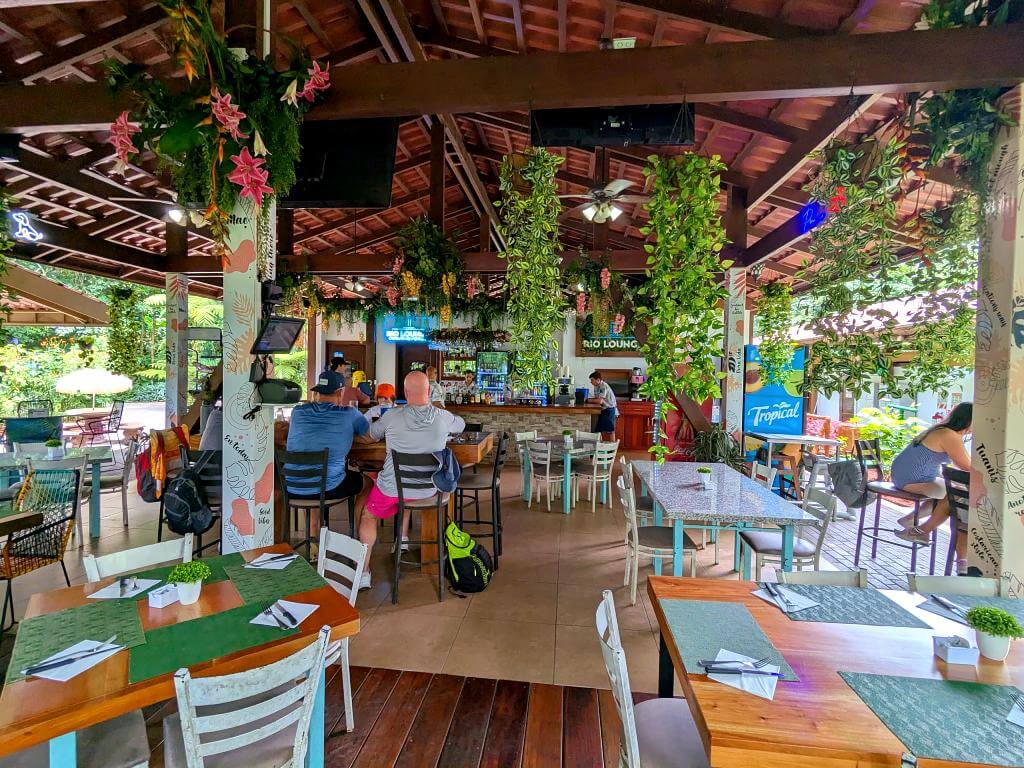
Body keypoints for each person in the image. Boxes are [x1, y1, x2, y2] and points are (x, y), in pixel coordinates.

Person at [354, 371, 465, 589]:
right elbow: (460, 425)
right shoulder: (442, 417)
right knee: (415, 496)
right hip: (430, 490)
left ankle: (364, 573)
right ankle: (419, 549)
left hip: (392, 488)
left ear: (405, 393)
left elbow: (369, 436)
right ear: (429, 391)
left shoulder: (392, 416)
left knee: (368, 515)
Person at [286, 369, 369, 536]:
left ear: (317, 391)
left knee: (311, 473)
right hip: (329, 487)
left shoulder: (298, 412)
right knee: (368, 483)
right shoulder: (350, 414)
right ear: (340, 392)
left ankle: (313, 531)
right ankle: (359, 535)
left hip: (292, 486)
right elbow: (368, 436)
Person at [890, 402, 972, 566]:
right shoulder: (949, 435)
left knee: (953, 493)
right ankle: (920, 531)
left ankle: (914, 523)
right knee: (955, 495)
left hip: (902, 476)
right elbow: (967, 466)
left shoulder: (941, 430)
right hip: (914, 479)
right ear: (969, 420)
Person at [586, 370, 618, 440]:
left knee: (610, 431)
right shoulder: (596, 386)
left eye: (592, 380)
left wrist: (587, 400)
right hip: (603, 409)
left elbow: (600, 401)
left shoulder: (603, 386)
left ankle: (611, 448)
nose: (591, 382)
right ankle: (600, 446)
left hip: (609, 409)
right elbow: (597, 398)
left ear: (598, 380)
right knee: (599, 430)